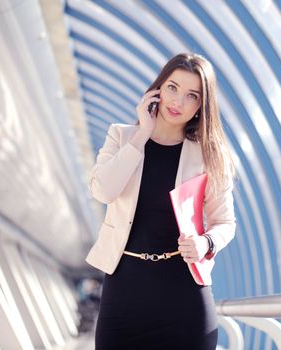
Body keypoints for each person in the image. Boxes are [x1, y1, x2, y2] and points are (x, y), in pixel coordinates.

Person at [85, 53, 236, 349]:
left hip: (185, 299)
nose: (178, 102)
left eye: (192, 95)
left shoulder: (209, 155)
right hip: (123, 295)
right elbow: (103, 191)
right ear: (157, 89)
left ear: (201, 107)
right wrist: (142, 135)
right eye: (172, 88)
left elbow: (225, 223)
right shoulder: (122, 135)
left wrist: (205, 243)